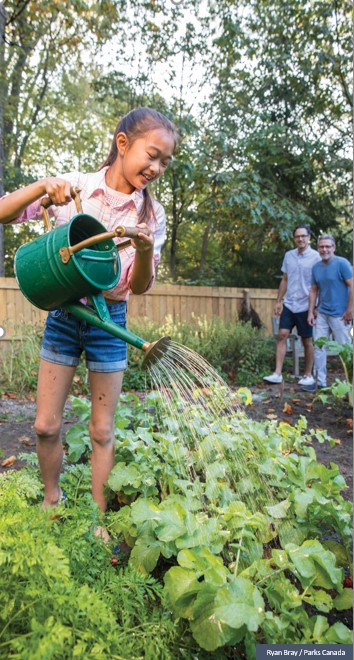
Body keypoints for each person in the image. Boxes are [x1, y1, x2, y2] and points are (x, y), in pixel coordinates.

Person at [0, 107, 179, 541]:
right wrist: (45, 187)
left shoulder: (151, 217)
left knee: (102, 429)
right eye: (151, 155)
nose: (155, 168)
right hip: (64, 314)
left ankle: (98, 521)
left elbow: (138, 288)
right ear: (122, 144)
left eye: (164, 163)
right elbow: (3, 212)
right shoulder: (77, 187)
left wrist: (143, 243)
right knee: (45, 424)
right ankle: (51, 499)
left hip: (109, 318)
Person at [263, 224, 321, 385]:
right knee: (282, 335)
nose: (300, 239)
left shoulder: (316, 257)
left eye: (303, 236)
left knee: (306, 340)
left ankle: (308, 375)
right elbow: (285, 279)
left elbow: (320, 284)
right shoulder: (289, 256)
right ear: (294, 238)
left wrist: (316, 307)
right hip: (290, 303)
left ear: (309, 238)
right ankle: (277, 373)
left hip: (306, 306)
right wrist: (278, 301)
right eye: (297, 236)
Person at [304, 234, 353, 391]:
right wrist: (311, 312)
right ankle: (320, 382)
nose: (324, 249)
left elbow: (352, 286)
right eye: (321, 246)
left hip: (340, 315)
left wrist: (350, 310)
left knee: (345, 350)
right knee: (319, 346)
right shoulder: (316, 267)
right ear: (318, 248)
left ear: (334, 248)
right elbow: (313, 290)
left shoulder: (342, 264)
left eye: (327, 246)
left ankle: (350, 385)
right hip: (323, 314)